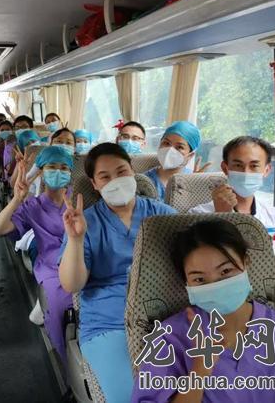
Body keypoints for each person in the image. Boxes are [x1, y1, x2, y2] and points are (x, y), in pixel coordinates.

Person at [132, 219, 275, 403]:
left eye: (225, 271)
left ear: (246, 262)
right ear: (187, 283)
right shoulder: (169, 339)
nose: (216, 285)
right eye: (200, 279)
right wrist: (199, 372)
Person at [59, 143, 176, 402]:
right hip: (108, 323)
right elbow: (71, 284)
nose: (116, 180)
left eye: (122, 171)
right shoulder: (85, 222)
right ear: (94, 184)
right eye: (105, 176)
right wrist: (76, 240)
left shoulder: (163, 216)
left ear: (133, 172)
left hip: (165, 318)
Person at [0, 146, 74, 367]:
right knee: (59, 305)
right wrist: (17, 200)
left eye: (64, 168)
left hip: (82, 260)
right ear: (42, 171)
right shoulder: (33, 205)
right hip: (52, 266)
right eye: (52, 167)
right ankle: (67, 363)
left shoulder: (79, 199)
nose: (58, 172)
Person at [188, 136, 275, 242]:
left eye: (254, 166)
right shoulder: (197, 215)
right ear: (225, 168)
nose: (246, 172)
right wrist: (222, 216)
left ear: (266, 170)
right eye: (238, 165)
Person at [145, 121, 210, 201]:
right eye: (166, 143)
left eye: (179, 147)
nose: (170, 150)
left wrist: (196, 187)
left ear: (190, 155)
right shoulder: (144, 181)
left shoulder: (193, 180)